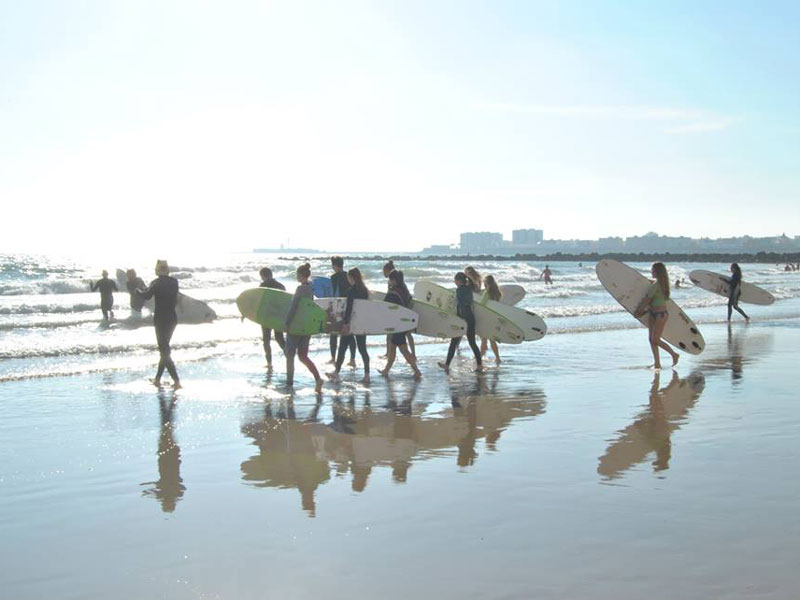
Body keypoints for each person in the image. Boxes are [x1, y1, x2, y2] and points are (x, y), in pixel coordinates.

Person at [138, 260, 181, 389]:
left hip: (161, 319)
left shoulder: (156, 283)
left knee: (164, 350)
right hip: (172, 318)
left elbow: (147, 296)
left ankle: (177, 381)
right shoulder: (174, 282)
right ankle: (157, 379)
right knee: (164, 349)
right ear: (168, 270)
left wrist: (137, 290)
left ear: (157, 271)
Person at [284, 263, 323, 392]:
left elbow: (293, 307)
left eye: (297, 275)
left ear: (301, 275)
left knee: (290, 354)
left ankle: (289, 383)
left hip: (296, 326)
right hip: (306, 326)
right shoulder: (311, 288)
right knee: (303, 356)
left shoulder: (300, 289)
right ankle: (318, 379)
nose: (296, 277)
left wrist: (287, 323)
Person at [328, 267, 371, 383]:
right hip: (361, 323)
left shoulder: (351, 290)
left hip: (351, 323)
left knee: (342, 348)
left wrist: (346, 323)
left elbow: (349, 308)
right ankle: (367, 375)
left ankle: (336, 373)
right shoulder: (365, 290)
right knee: (362, 349)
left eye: (349, 278)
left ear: (351, 278)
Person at [633, 262, 679, 370]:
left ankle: (674, 354)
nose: (651, 271)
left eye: (653, 270)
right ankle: (657, 363)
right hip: (653, 313)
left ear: (657, 271)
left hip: (660, 315)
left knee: (655, 340)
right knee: (651, 339)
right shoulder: (662, 285)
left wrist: (639, 311)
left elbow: (646, 300)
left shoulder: (655, 286)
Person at [378, 270, 421, 380]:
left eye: (390, 280)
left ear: (394, 280)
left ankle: (417, 371)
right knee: (393, 347)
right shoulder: (404, 290)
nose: (389, 282)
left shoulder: (393, 293)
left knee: (403, 349)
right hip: (404, 322)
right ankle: (386, 370)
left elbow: (385, 305)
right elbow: (410, 303)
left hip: (397, 324)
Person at [439, 272, 483, 373]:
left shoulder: (459, 290)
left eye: (455, 280)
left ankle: (447, 365)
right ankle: (480, 365)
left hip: (463, 319)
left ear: (458, 281)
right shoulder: (468, 289)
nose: (454, 282)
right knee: (472, 343)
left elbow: (461, 306)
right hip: (470, 318)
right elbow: (468, 304)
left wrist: (459, 319)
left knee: (453, 343)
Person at [382, 260, 416, 357]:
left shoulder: (393, 283)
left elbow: (390, 298)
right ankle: (411, 354)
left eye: (384, 271)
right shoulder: (400, 281)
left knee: (393, 335)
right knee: (406, 335)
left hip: (399, 314)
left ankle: (389, 354)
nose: (383, 273)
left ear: (388, 271)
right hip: (405, 311)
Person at [329, 256, 356, 365]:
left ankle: (333, 358)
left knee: (333, 332)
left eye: (333, 265)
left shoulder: (333, 277)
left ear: (335, 265)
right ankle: (352, 359)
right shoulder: (348, 276)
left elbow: (333, 293)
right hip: (348, 306)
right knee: (349, 334)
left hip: (337, 306)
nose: (332, 267)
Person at [259, 267, 286, 369]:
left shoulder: (262, 286)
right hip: (278, 316)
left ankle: (269, 363)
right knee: (279, 338)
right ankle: (289, 357)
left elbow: (259, 302)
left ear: (263, 276)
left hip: (266, 316)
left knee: (266, 340)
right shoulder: (281, 286)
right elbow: (285, 302)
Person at [480, 275, 502, 363]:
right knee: (491, 339)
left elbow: (482, 305)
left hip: (486, 318)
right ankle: (497, 357)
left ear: (487, 283)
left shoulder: (487, 293)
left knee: (484, 339)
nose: (484, 285)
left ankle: (480, 357)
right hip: (494, 318)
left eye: (484, 283)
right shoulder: (497, 293)